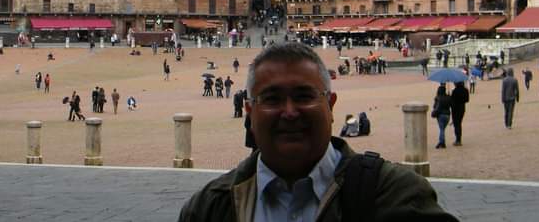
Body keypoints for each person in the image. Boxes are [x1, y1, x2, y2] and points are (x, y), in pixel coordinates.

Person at [179, 42, 457, 221]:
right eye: (272, 99)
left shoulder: (396, 196)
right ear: (250, 112)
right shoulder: (208, 209)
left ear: (330, 104)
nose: (289, 112)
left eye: (304, 96)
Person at [432, 84, 452, 149]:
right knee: (442, 129)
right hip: (447, 115)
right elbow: (451, 105)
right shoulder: (448, 97)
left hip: (441, 115)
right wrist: (449, 97)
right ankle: (442, 142)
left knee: (441, 129)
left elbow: (435, 106)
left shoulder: (438, 98)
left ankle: (442, 142)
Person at [450, 81, 468, 146]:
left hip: (455, 109)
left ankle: (458, 140)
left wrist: (450, 96)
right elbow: (467, 100)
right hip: (462, 108)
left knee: (456, 125)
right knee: (459, 123)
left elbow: (452, 101)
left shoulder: (455, 91)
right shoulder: (465, 90)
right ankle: (458, 139)